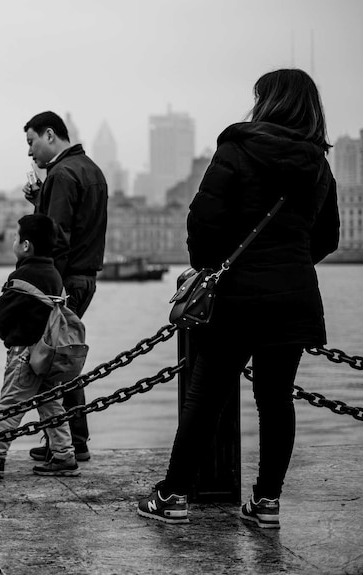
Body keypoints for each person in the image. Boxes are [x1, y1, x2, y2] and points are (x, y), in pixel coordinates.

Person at [137, 69, 340, 528]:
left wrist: (215, 265)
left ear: (267, 101)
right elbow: (327, 237)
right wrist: (288, 263)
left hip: (238, 296)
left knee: (206, 394)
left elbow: (202, 220)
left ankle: (173, 495)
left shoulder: (237, 148)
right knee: (276, 400)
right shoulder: (318, 165)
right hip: (294, 297)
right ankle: (267, 503)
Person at [22, 111, 108, 464]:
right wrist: (40, 200)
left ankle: (69, 442)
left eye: (31, 142)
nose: (30, 153)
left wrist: (44, 288)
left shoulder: (62, 173)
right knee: (65, 356)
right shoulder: (91, 170)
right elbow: (79, 222)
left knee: (56, 359)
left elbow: (57, 237)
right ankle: (74, 439)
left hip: (64, 279)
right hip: (85, 276)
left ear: (49, 135)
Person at [0, 214, 79, 479]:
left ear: (26, 245)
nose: (14, 241)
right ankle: (64, 456)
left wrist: (8, 335)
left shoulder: (24, 274)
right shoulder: (53, 274)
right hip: (49, 353)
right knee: (52, 405)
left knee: (11, 405)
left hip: (26, 354)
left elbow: (3, 316)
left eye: (16, 237)